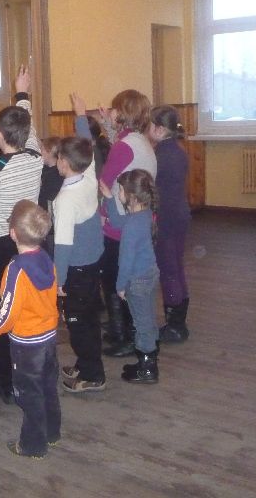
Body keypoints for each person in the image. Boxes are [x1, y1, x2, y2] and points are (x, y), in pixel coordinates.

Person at [0, 65, 43, 404]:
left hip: (3, 248)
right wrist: (22, 93)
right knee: (27, 309)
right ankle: (32, 368)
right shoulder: (36, 156)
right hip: (32, 242)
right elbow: (28, 127)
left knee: (4, 313)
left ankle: (9, 379)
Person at [0, 199, 60, 458]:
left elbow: (8, 314)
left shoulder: (15, 269)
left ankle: (32, 445)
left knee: (29, 394)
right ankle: (52, 432)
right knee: (48, 386)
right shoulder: (47, 259)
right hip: (49, 338)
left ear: (13, 233)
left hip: (27, 344)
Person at [96, 89, 156, 358]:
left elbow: (105, 182)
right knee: (124, 279)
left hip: (119, 222)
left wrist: (100, 210)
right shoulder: (139, 141)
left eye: (114, 108)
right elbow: (119, 149)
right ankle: (125, 330)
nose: (110, 111)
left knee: (113, 280)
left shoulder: (125, 146)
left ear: (122, 112)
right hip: (137, 218)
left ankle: (123, 335)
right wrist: (108, 126)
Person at [53, 95, 105, 392]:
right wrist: (80, 115)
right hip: (93, 261)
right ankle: (87, 363)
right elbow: (87, 143)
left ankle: (93, 374)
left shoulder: (65, 200)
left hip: (77, 269)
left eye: (59, 157)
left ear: (64, 163)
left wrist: (59, 280)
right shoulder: (88, 174)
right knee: (89, 317)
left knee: (78, 324)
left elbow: (62, 244)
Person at [99, 169, 161, 383]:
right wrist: (109, 198)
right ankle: (150, 359)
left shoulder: (134, 225)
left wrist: (120, 286)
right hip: (149, 274)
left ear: (132, 196)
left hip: (137, 280)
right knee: (148, 319)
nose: (119, 194)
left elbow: (125, 260)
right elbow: (117, 222)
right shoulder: (144, 214)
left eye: (120, 191)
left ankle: (147, 369)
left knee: (141, 323)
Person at [149, 105, 192, 343]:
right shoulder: (176, 149)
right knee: (175, 266)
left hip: (167, 217)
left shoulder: (162, 155)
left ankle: (175, 325)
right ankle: (178, 321)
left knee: (168, 270)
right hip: (177, 214)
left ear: (160, 129)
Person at [37, 136, 63, 257]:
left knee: (51, 252)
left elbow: (48, 203)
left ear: (49, 152)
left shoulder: (54, 176)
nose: (40, 152)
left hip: (51, 226)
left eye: (42, 149)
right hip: (47, 220)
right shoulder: (47, 169)